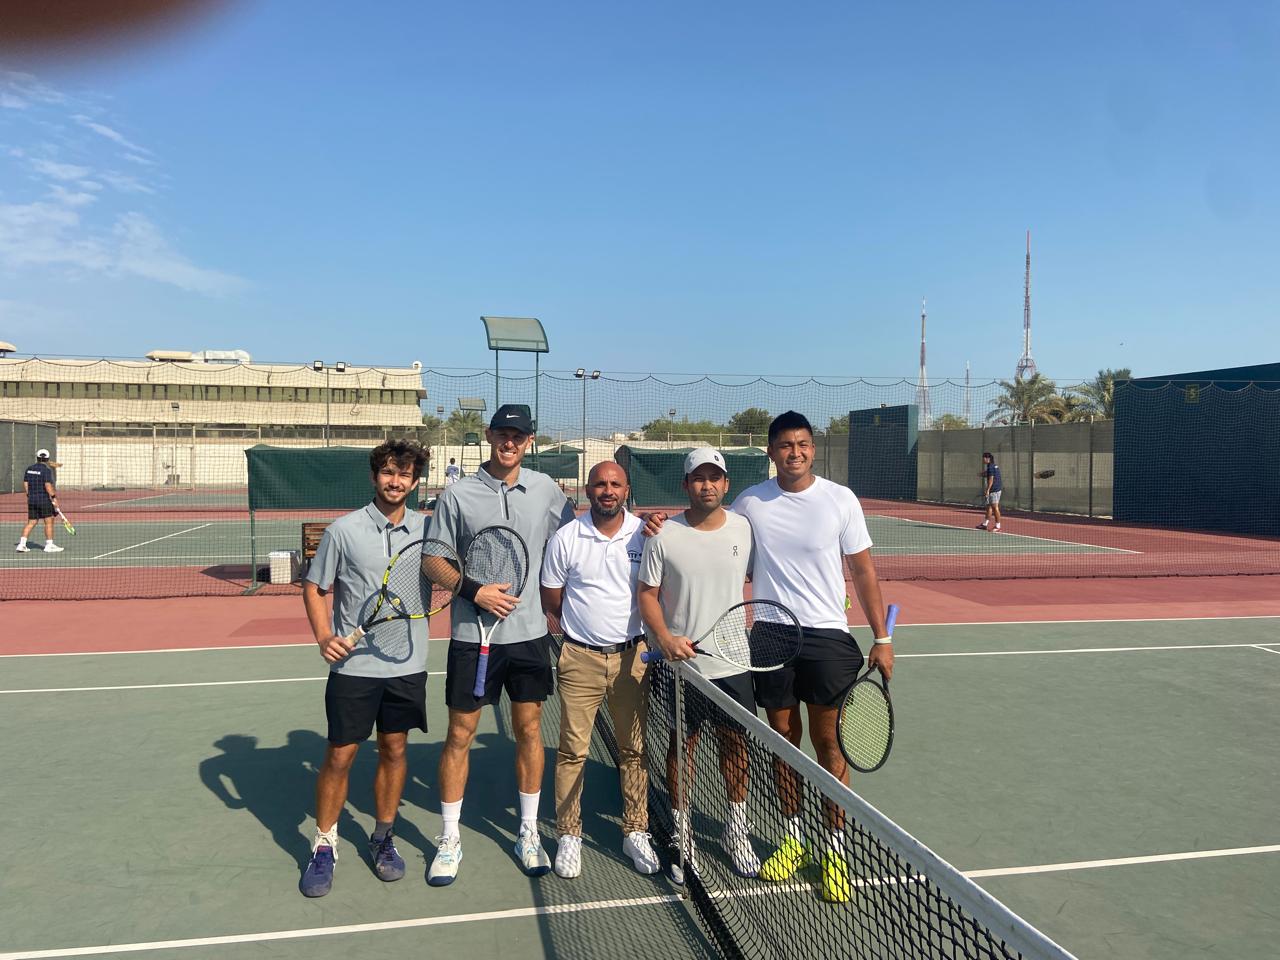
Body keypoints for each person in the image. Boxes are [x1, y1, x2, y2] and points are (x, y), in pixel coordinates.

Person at [730, 411, 893, 903]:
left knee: (830, 746)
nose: (794, 452)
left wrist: (881, 637)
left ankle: (834, 850)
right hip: (773, 636)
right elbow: (721, 550)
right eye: (784, 445)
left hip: (827, 638)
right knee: (782, 739)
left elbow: (863, 572)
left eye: (802, 444)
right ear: (771, 452)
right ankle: (793, 839)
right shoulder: (749, 503)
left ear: (813, 449)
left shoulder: (840, 500)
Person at [424, 403, 576, 885]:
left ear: (530, 441)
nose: (510, 442)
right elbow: (433, 560)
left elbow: (577, 541)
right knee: (459, 735)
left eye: (519, 435)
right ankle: (450, 838)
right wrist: (474, 591)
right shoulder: (458, 495)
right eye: (502, 433)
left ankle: (527, 832)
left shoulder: (548, 491)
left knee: (530, 731)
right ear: (488, 435)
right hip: (474, 637)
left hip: (530, 636)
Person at [299, 439, 430, 898]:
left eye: (405, 474)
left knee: (394, 751)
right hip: (354, 667)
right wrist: (322, 637)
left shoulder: (429, 532)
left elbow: (451, 572)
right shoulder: (343, 530)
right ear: (375, 476)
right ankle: (324, 844)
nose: (396, 481)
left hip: (407, 664)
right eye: (389, 472)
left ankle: (382, 837)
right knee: (340, 754)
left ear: (416, 482)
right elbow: (315, 588)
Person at [637, 447, 760, 884]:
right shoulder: (663, 534)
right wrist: (665, 639)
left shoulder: (746, 528)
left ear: (726, 485)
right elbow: (647, 595)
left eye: (715, 478)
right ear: (685, 485)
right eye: (699, 478)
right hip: (681, 669)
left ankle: (736, 829)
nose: (707, 485)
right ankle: (682, 832)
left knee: (735, 748)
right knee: (680, 750)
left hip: (734, 665)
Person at [540, 461, 659, 879]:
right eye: (600, 484)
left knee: (634, 749)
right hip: (580, 658)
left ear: (627, 490)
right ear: (587, 490)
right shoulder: (566, 538)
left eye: (615, 484)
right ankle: (569, 834)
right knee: (573, 751)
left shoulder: (646, 536)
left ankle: (636, 831)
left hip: (633, 659)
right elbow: (552, 599)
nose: (607, 490)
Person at [16, 449, 63, 553]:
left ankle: (21, 544)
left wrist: (29, 494)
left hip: (32, 500)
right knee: (49, 521)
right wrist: (54, 497)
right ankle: (49, 545)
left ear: (37, 457)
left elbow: (25, 483)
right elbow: (48, 485)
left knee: (31, 522)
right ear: (47, 459)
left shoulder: (29, 469)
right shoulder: (46, 470)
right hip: (43, 500)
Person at [977, 451, 1003, 532]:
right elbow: (989, 474)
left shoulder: (991, 467)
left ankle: (998, 526)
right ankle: (985, 524)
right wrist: (983, 474)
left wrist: (987, 490)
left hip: (994, 490)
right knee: (989, 507)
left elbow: (991, 479)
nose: (983, 460)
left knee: (995, 507)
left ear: (988, 458)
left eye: (984, 458)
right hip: (993, 489)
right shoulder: (992, 466)